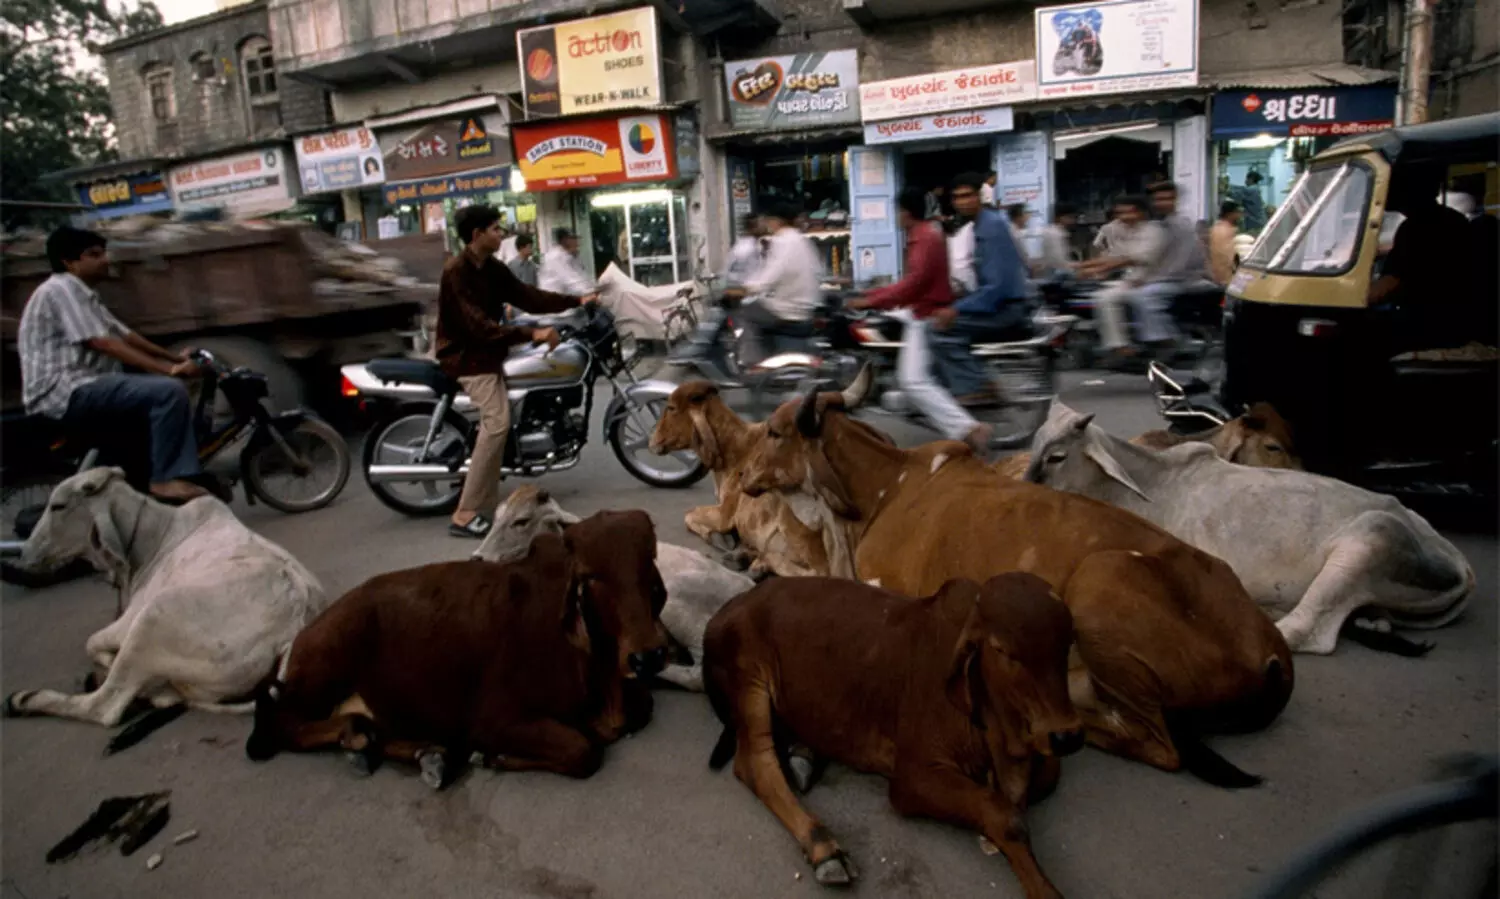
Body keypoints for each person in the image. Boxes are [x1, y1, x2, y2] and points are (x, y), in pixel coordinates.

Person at [436, 206, 596, 538]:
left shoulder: (492, 268)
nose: (502, 234)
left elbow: (528, 296)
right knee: (497, 423)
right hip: (467, 357)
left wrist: (576, 301)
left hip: (490, 350)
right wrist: (531, 334)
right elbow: (478, 327)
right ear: (477, 235)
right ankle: (464, 514)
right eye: (495, 229)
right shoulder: (456, 272)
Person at [18, 226, 208, 503]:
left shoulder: (85, 296)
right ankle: (166, 479)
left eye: (103, 253)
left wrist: (177, 359)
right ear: (69, 262)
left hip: (87, 385)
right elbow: (102, 342)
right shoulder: (61, 288)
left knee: (153, 395)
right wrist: (169, 371)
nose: (105, 260)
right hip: (65, 391)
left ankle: (141, 488)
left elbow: (125, 336)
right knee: (167, 392)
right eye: (93, 255)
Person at [850, 186, 992, 453]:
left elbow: (914, 284)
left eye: (897, 211)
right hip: (922, 308)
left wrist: (872, 300)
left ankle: (968, 428)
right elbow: (909, 284)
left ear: (905, 212)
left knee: (912, 380)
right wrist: (873, 294)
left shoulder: (924, 238)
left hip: (927, 314)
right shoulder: (924, 234)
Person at [929, 172, 1032, 407]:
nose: (963, 202)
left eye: (968, 196)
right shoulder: (977, 227)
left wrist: (956, 310)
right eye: (957, 198)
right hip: (997, 304)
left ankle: (977, 386)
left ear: (979, 197)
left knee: (936, 331)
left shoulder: (991, 227)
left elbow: (997, 286)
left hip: (1006, 310)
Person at [1078, 195, 1166, 364]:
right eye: (1120, 213)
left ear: (1140, 213)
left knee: (1105, 298)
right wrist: (1083, 266)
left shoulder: (1153, 231)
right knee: (1100, 290)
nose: (1123, 216)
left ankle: (1120, 346)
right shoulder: (1124, 230)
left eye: (1128, 212)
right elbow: (1115, 256)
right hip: (1132, 279)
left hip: (1150, 280)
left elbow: (1135, 258)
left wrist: (1098, 268)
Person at [738, 203, 823, 363]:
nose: (766, 224)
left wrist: (742, 290)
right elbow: (818, 273)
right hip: (806, 309)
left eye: (768, 220)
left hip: (787, 311)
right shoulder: (803, 241)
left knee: (747, 312)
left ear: (776, 221)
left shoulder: (782, 242)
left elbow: (767, 279)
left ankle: (753, 364)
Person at [537, 227, 596, 297]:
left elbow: (581, 276)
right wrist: (590, 291)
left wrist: (594, 286)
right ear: (564, 240)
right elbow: (571, 281)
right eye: (573, 239)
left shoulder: (569, 256)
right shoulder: (555, 257)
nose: (577, 242)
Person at [724, 213, 766, 292]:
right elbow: (732, 275)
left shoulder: (756, 245)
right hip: (746, 295)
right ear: (754, 227)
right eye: (762, 224)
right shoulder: (744, 249)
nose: (765, 226)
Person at [1038, 202, 1079, 278]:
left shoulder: (1058, 232)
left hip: (1058, 275)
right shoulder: (1054, 234)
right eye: (1071, 217)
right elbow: (1059, 263)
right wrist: (1082, 267)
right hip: (1057, 277)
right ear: (1061, 218)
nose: (1073, 221)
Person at [1209, 200, 1243, 286]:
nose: (1239, 216)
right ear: (1230, 214)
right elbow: (1227, 259)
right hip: (1224, 281)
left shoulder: (1216, 229)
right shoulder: (1224, 232)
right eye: (1237, 212)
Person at [1229, 170, 1269, 234]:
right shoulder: (1255, 189)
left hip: (1257, 224)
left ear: (1251, 179)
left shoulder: (1252, 190)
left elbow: (1238, 192)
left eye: (1246, 179)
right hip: (1258, 223)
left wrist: (1225, 187)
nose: (1245, 181)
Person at [1006, 203, 1032, 270]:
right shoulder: (1015, 234)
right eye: (1025, 214)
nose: (1028, 217)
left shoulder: (1011, 229)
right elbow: (1024, 257)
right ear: (1018, 217)